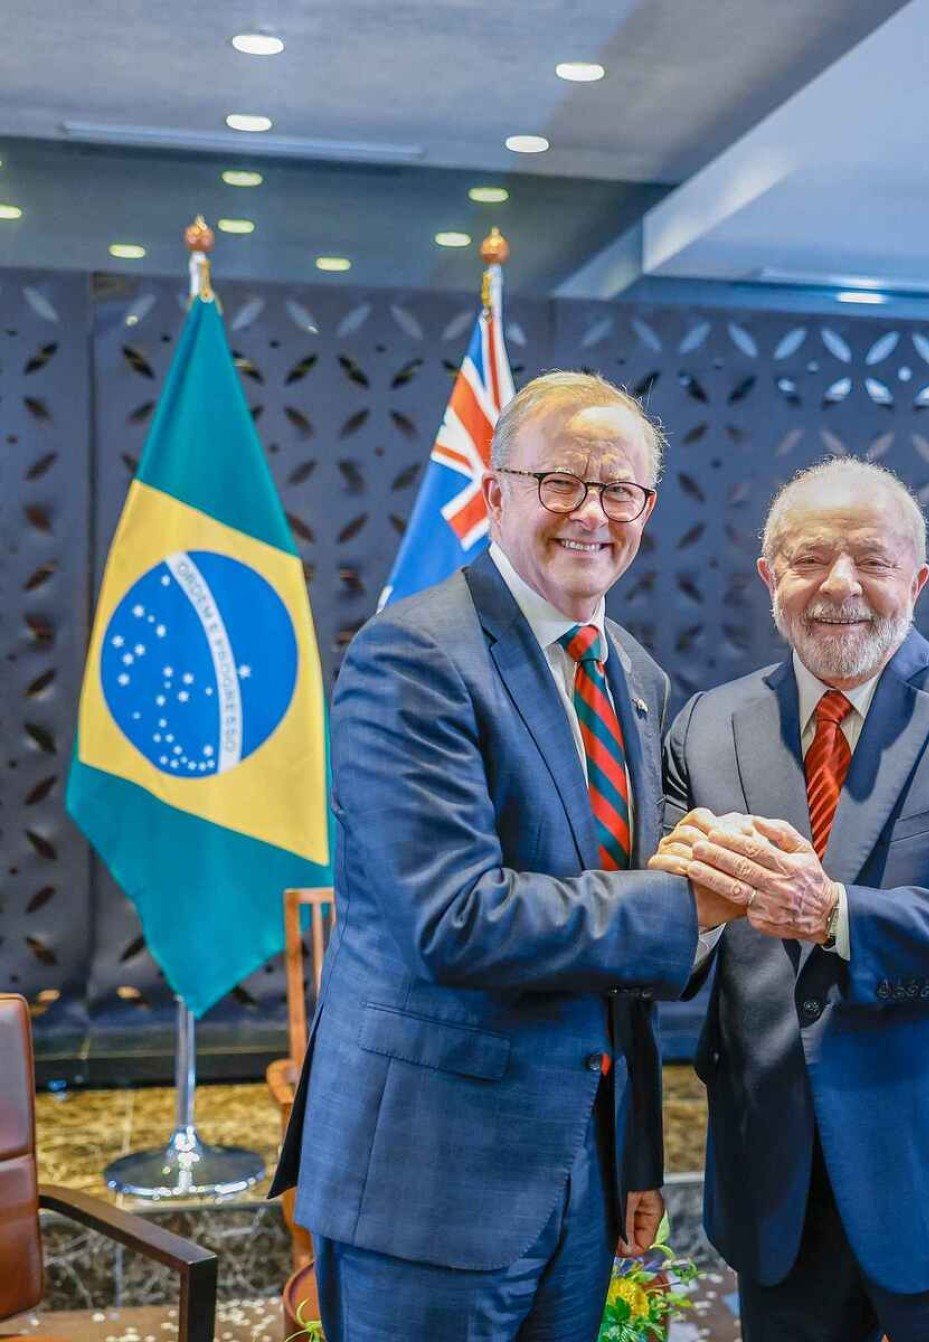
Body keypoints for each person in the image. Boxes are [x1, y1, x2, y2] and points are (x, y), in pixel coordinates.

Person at [270, 370, 737, 1341]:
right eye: (562, 481)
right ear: (496, 492)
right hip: (431, 1178)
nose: (592, 513)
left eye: (620, 490)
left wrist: (635, 1155)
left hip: (584, 1172)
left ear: (647, 509)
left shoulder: (635, 675)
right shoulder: (413, 655)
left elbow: (625, 952)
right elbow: (455, 919)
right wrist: (687, 903)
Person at [652, 457, 929, 1341]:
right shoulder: (705, 725)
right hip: (778, 1179)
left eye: (872, 561)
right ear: (770, 578)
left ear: (916, 581)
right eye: (810, 559)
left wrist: (834, 916)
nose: (840, 585)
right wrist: (681, 908)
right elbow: (669, 933)